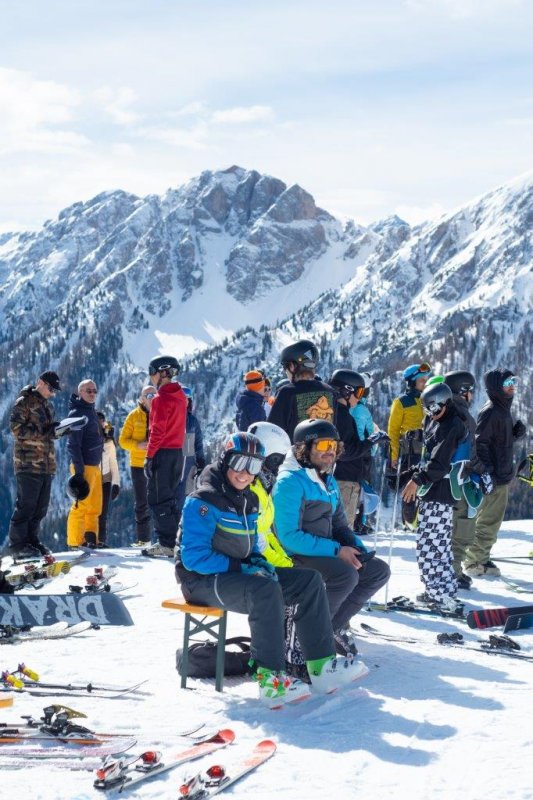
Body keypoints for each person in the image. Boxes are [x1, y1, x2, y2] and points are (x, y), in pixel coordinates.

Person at [175, 432, 368, 708]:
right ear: (225, 460)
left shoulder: (248, 500)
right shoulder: (204, 500)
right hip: (200, 581)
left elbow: (251, 544)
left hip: (234, 574)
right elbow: (193, 558)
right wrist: (242, 566)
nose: (245, 473)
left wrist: (257, 560)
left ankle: (321, 667)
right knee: (264, 590)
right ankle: (271, 681)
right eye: (239, 463)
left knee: (309, 581)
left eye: (253, 466)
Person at [273, 419, 390, 656]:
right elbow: (288, 537)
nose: (330, 451)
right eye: (324, 445)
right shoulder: (290, 482)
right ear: (304, 448)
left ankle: (331, 627)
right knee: (345, 575)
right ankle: (309, 637)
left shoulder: (327, 480)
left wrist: (356, 548)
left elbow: (339, 525)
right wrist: (337, 551)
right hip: (293, 555)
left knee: (377, 571)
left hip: (321, 552)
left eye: (334, 446)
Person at [401, 382, 467, 612]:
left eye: (434, 408)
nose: (431, 414)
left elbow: (439, 463)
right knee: (439, 544)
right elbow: (433, 445)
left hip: (439, 492)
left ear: (445, 403)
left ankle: (438, 594)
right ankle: (444, 590)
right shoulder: (442, 420)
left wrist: (417, 480)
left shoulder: (452, 425)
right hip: (438, 492)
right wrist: (417, 436)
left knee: (429, 546)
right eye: (427, 409)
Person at [463, 369, 527, 577]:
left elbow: (496, 443)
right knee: (488, 521)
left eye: (513, 382)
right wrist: (487, 473)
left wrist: (513, 435)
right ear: (496, 387)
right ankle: (474, 562)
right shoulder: (492, 411)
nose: (512, 386)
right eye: (507, 383)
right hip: (495, 477)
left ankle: (480, 557)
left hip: (500, 475)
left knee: (492, 521)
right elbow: (480, 444)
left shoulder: (502, 409)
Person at [6, 370, 62, 559]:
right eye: (51, 389)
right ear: (40, 382)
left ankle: (31, 540)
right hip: (27, 462)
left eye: (54, 391)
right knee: (26, 505)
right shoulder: (24, 402)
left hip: (46, 464)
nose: (52, 393)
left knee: (40, 507)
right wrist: (46, 432)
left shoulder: (47, 406)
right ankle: (17, 546)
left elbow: (47, 433)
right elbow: (16, 430)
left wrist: (58, 431)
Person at [329, 369, 389, 528]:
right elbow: (345, 451)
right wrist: (371, 441)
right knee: (343, 528)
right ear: (346, 391)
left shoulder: (334, 412)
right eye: (359, 392)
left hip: (341, 477)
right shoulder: (342, 416)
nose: (360, 397)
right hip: (345, 480)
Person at [144, 355, 187, 557]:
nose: (151, 378)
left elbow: (157, 432)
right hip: (177, 453)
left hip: (163, 453)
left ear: (162, 373)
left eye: (152, 373)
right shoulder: (181, 396)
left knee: (157, 498)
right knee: (169, 498)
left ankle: (167, 543)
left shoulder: (161, 399)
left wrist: (149, 456)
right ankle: (175, 540)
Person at [444, 371, 480, 590]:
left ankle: (449, 570)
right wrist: (480, 471)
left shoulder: (444, 411)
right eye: (471, 391)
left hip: (447, 482)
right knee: (461, 529)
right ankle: (453, 572)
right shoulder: (462, 416)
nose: (472, 395)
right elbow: (470, 452)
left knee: (449, 528)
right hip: (460, 481)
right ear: (463, 391)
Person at [387, 362, 432, 526]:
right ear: (412, 381)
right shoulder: (401, 402)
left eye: (426, 379)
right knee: (410, 486)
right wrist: (393, 456)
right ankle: (408, 521)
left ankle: (423, 518)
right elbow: (393, 431)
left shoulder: (428, 399)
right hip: (409, 452)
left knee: (426, 484)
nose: (425, 383)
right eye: (421, 380)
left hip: (427, 450)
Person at [268, 340, 336, 441]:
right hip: (327, 449)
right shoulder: (330, 392)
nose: (286, 372)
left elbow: (273, 431)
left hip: (296, 450)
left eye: (285, 367)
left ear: (292, 366)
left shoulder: (287, 393)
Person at [66, 379, 104, 548]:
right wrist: (79, 472)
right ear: (80, 392)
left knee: (94, 506)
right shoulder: (77, 413)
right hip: (83, 467)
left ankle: (91, 540)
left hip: (94, 466)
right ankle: (75, 542)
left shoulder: (90, 411)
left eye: (94, 391)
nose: (92, 394)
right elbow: (73, 445)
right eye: (89, 391)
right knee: (81, 505)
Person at [118, 385, 156, 545]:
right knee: (141, 502)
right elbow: (122, 441)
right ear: (141, 398)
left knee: (160, 501)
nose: (152, 398)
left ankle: (164, 540)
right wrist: (137, 445)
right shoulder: (133, 416)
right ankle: (143, 539)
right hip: (139, 464)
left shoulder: (162, 414)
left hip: (157, 463)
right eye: (148, 395)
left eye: (154, 394)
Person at [176, 386, 206, 522]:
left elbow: (198, 443)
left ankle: (183, 526)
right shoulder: (171, 418)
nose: (184, 402)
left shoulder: (192, 420)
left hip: (188, 464)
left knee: (187, 496)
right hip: (173, 462)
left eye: (187, 399)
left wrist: (201, 462)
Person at [97, 412, 120, 548]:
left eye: (102, 421)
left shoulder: (109, 440)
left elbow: (113, 462)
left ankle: (101, 540)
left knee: (103, 511)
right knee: (92, 510)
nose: (100, 423)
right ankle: (89, 539)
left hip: (105, 478)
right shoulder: (89, 435)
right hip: (92, 477)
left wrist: (116, 483)